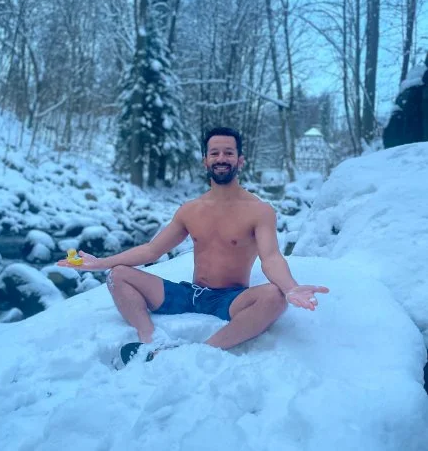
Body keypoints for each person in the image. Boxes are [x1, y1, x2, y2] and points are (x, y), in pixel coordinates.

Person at [58, 127, 329, 358]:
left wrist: (290, 287)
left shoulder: (259, 210)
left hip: (229, 299)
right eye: (214, 153)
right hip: (190, 294)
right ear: (205, 161)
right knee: (117, 276)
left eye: (228, 153)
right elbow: (152, 250)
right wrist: (101, 263)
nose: (221, 158)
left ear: (240, 160)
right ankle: (151, 340)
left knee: (275, 297)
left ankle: (198, 351)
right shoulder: (190, 209)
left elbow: (271, 258)